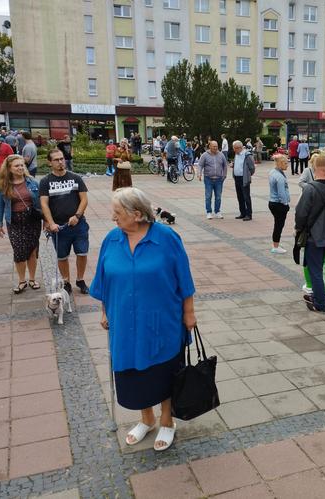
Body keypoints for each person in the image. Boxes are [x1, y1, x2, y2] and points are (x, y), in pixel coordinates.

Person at [90, 187, 196, 450]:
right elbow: (104, 280)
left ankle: (167, 421)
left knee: (164, 372)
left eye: (117, 213)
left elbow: (184, 278)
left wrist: (189, 313)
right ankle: (146, 419)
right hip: (124, 325)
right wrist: (104, 311)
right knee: (135, 374)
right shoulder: (112, 240)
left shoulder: (166, 238)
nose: (113, 217)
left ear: (137, 214)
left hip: (162, 322)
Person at [295, 155, 325, 313]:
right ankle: (318, 296)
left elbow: (301, 213)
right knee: (323, 266)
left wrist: (298, 229)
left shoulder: (310, 188)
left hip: (314, 236)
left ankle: (320, 303)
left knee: (314, 270)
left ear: (314, 168)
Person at [39, 148, 90, 294]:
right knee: (62, 257)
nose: (61, 162)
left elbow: (84, 200)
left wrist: (77, 216)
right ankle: (66, 281)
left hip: (78, 225)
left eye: (62, 159)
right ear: (50, 163)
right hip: (59, 227)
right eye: (56, 160)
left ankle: (80, 280)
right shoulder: (45, 181)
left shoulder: (75, 178)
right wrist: (50, 222)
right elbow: (44, 204)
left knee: (82, 253)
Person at [0, 155, 43, 294]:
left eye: (22, 165)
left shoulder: (33, 182)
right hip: (14, 221)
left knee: (33, 250)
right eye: (17, 165)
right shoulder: (3, 184)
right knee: (19, 251)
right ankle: (22, 281)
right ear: (9, 168)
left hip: (32, 220)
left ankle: (32, 279)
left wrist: (46, 220)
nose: (21, 168)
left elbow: (41, 203)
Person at [197, 140, 228, 219]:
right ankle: (209, 212)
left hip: (219, 179)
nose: (215, 148)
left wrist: (224, 175)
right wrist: (199, 174)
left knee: (218, 196)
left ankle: (217, 211)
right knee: (208, 196)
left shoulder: (221, 155)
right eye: (214, 146)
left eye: (216, 146)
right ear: (210, 146)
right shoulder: (205, 155)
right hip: (208, 179)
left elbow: (225, 165)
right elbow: (200, 165)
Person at [268, 154, 290, 254]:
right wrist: (285, 204)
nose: (287, 165)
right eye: (285, 163)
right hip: (278, 204)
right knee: (278, 225)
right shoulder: (279, 177)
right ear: (280, 163)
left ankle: (275, 244)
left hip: (272, 202)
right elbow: (281, 193)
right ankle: (275, 246)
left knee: (277, 224)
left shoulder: (273, 172)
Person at [232, 140, 255, 221]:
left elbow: (252, 168)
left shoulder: (247, 155)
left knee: (246, 197)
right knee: (240, 197)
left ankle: (249, 214)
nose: (234, 150)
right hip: (237, 178)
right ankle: (242, 213)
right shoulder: (236, 154)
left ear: (239, 148)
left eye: (235, 148)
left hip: (244, 178)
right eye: (233, 148)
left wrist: (248, 175)